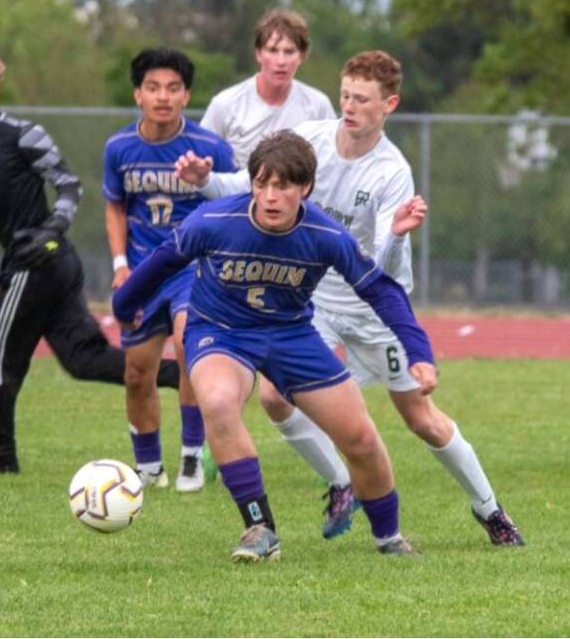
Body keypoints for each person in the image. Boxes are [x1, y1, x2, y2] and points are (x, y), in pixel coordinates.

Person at [176, 51, 524, 546]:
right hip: (314, 301)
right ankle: (341, 482)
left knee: (420, 418)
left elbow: (379, 266)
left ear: (390, 105)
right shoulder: (313, 139)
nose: (350, 107)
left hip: (372, 306)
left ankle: (489, 509)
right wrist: (205, 181)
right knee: (275, 397)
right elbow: (253, 184)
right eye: (345, 96)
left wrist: (400, 234)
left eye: (362, 99)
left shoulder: (391, 171)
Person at [114, 131, 430, 561]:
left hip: (291, 335)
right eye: (261, 184)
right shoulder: (213, 221)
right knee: (220, 402)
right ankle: (259, 528)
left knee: (360, 438)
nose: (269, 196)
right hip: (220, 330)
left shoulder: (325, 234)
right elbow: (161, 263)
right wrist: (124, 304)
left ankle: (388, 537)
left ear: (305, 188)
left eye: (282, 186)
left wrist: (419, 352)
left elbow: (381, 291)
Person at [0, 43, 178, 475]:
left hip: (40, 263)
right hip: (46, 267)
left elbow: (70, 186)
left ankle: (0, 458)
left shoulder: (21, 134)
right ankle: (179, 377)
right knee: (82, 360)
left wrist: (51, 230)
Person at [102, 48, 235, 492]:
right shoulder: (119, 148)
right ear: (138, 94)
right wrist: (121, 265)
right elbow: (115, 205)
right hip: (143, 273)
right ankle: (148, 467)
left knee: (188, 348)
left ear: (187, 95)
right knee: (137, 372)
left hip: (194, 270)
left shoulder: (211, 149)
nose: (163, 96)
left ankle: (193, 458)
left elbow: (234, 202)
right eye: (154, 87)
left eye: (173, 88)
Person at [201, 8, 336, 170]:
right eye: (272, 50)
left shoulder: (318, 106)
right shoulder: (225, 104)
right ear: (258, 53)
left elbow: (332, 165)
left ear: (301, 56)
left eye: (289, 51)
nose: (281, 61)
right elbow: (202, 162)